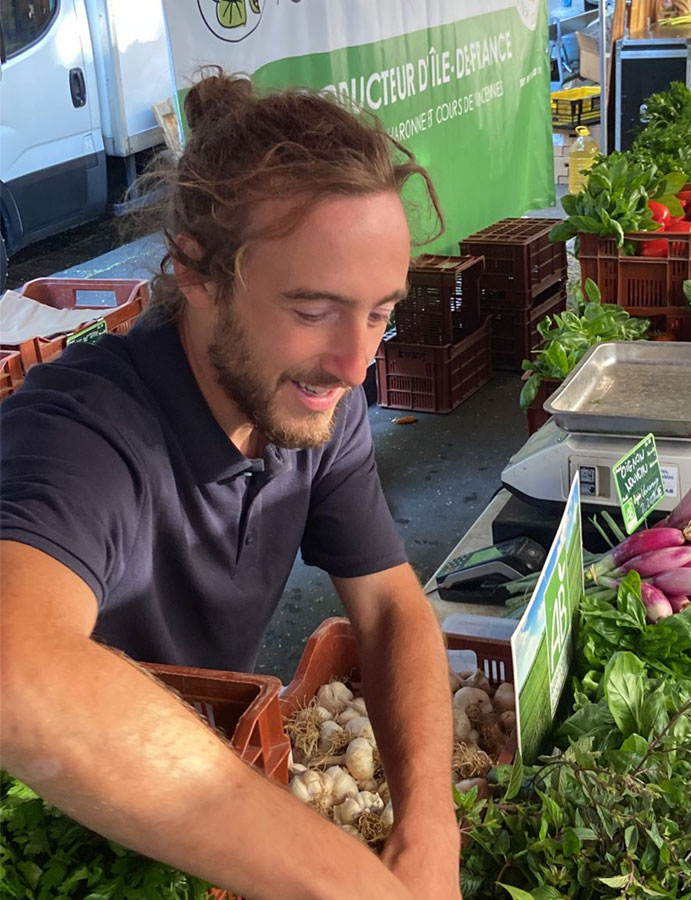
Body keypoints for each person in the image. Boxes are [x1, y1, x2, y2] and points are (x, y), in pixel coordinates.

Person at [0, 71, 462, 900]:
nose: (357, 364)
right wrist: (353, 886)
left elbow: (391, 606)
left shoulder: (315, 403)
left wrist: (429, 823)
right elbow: (14, 666)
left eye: (379, 312)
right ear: (200, 274)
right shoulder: (83, 430)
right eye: (315, 308)